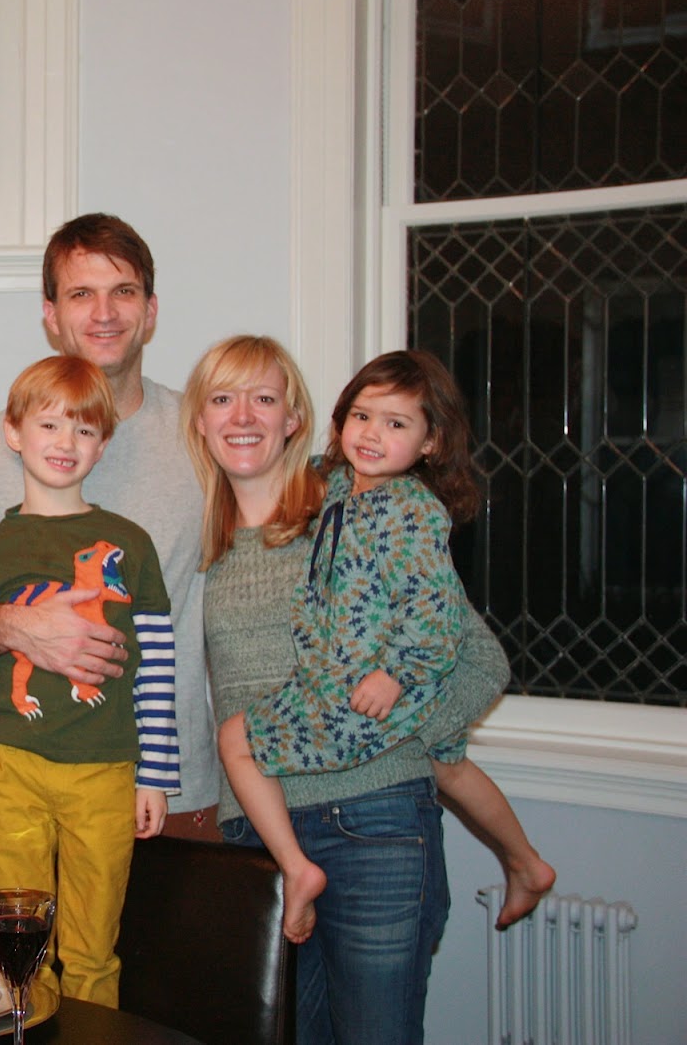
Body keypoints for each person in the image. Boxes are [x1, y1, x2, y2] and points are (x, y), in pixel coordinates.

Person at [184, 335, 533, 1044]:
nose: (242, 416)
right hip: (260, 835)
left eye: (263, 398)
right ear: (200, 419)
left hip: (371, 824)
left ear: (295, 418)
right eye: (222, 399)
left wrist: (402, 738)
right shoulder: (197, 541)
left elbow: (479, 661)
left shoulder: (352, 514)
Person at [0, 356, 177, 1012]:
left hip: (104, 770)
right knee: (21, 950)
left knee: (92, 947)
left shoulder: (130, 545)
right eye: (49, 424)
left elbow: (156, 666)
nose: (66, 442)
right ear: (14, 431)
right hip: (11, 767)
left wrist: (154, 775)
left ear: (103, 444)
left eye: (84, 430)